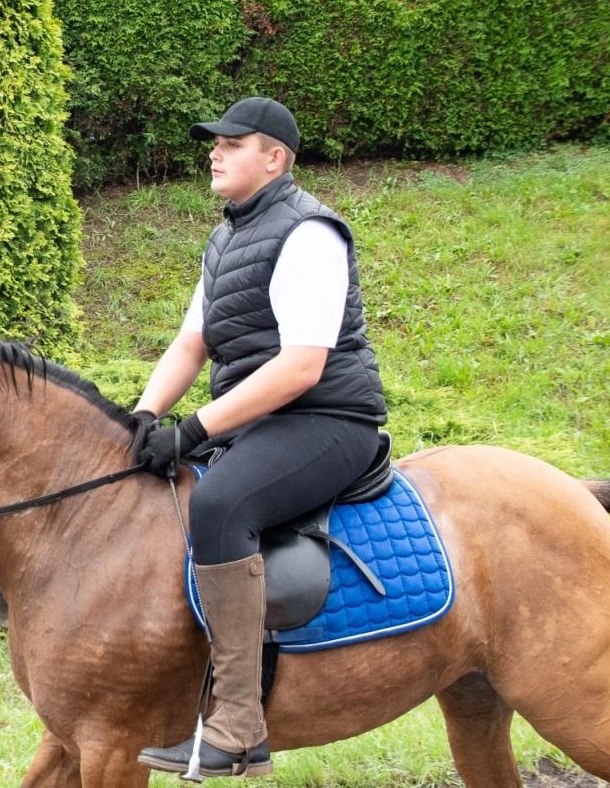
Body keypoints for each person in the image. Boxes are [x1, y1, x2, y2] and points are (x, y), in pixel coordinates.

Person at [132, 97, 388, 779]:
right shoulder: (226, 240)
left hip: (328, 421)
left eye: (231, 143)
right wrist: (145, 413)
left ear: (274, 158)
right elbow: (193, 342)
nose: (213, 153)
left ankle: (241, 725)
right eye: (212, 143)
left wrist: (192, 429)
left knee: (220, 507)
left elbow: (302, 366)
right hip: (259, 424)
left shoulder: (310, 233)